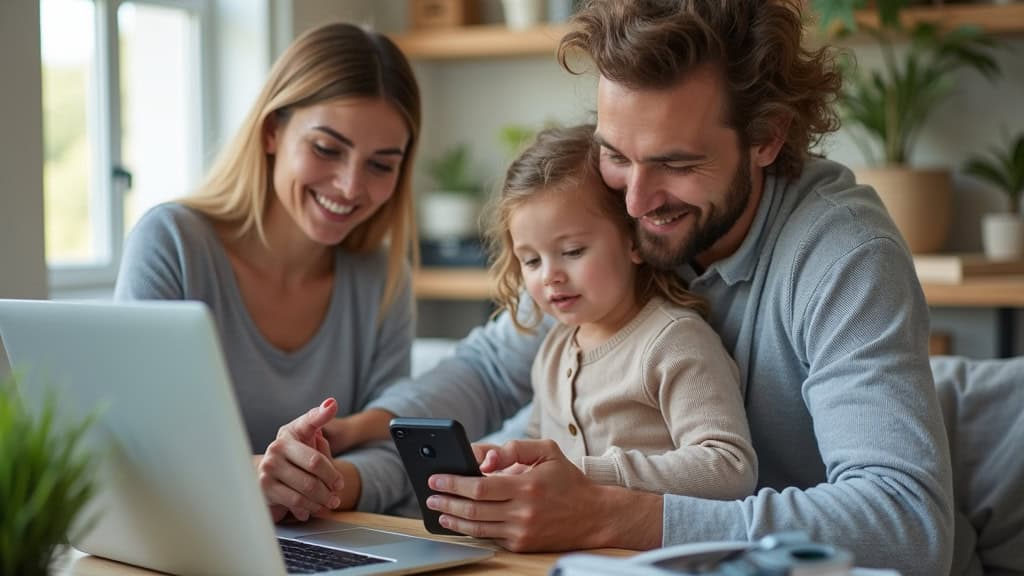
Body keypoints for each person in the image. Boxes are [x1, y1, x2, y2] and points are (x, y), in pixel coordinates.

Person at [279, 2, 953, 574]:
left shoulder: (842, 255)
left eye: (676, 163)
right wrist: (362, 441)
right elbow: (489, 368)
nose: (633, 199)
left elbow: (907, 521)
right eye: (615, 154)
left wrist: (613, 512)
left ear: (767, 137)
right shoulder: (610, 219)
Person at [114, 22, 422, 523]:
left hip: (321, 541)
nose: (349, 186)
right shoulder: (172, 243)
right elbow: (137, 442)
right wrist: (256, 475)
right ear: (272, 130)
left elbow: (393, 449)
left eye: (380, 165)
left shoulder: (383, 278)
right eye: (326, 149)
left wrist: (312, 488)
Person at [483, 124, 756, 498]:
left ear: (635, 241)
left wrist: (586, 474)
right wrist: (503, 465)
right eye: (530, 261)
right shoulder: (555, 348)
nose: (550, 277)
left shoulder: (674, 342)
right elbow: (540, 443)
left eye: (574, 251)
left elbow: (729, 467)